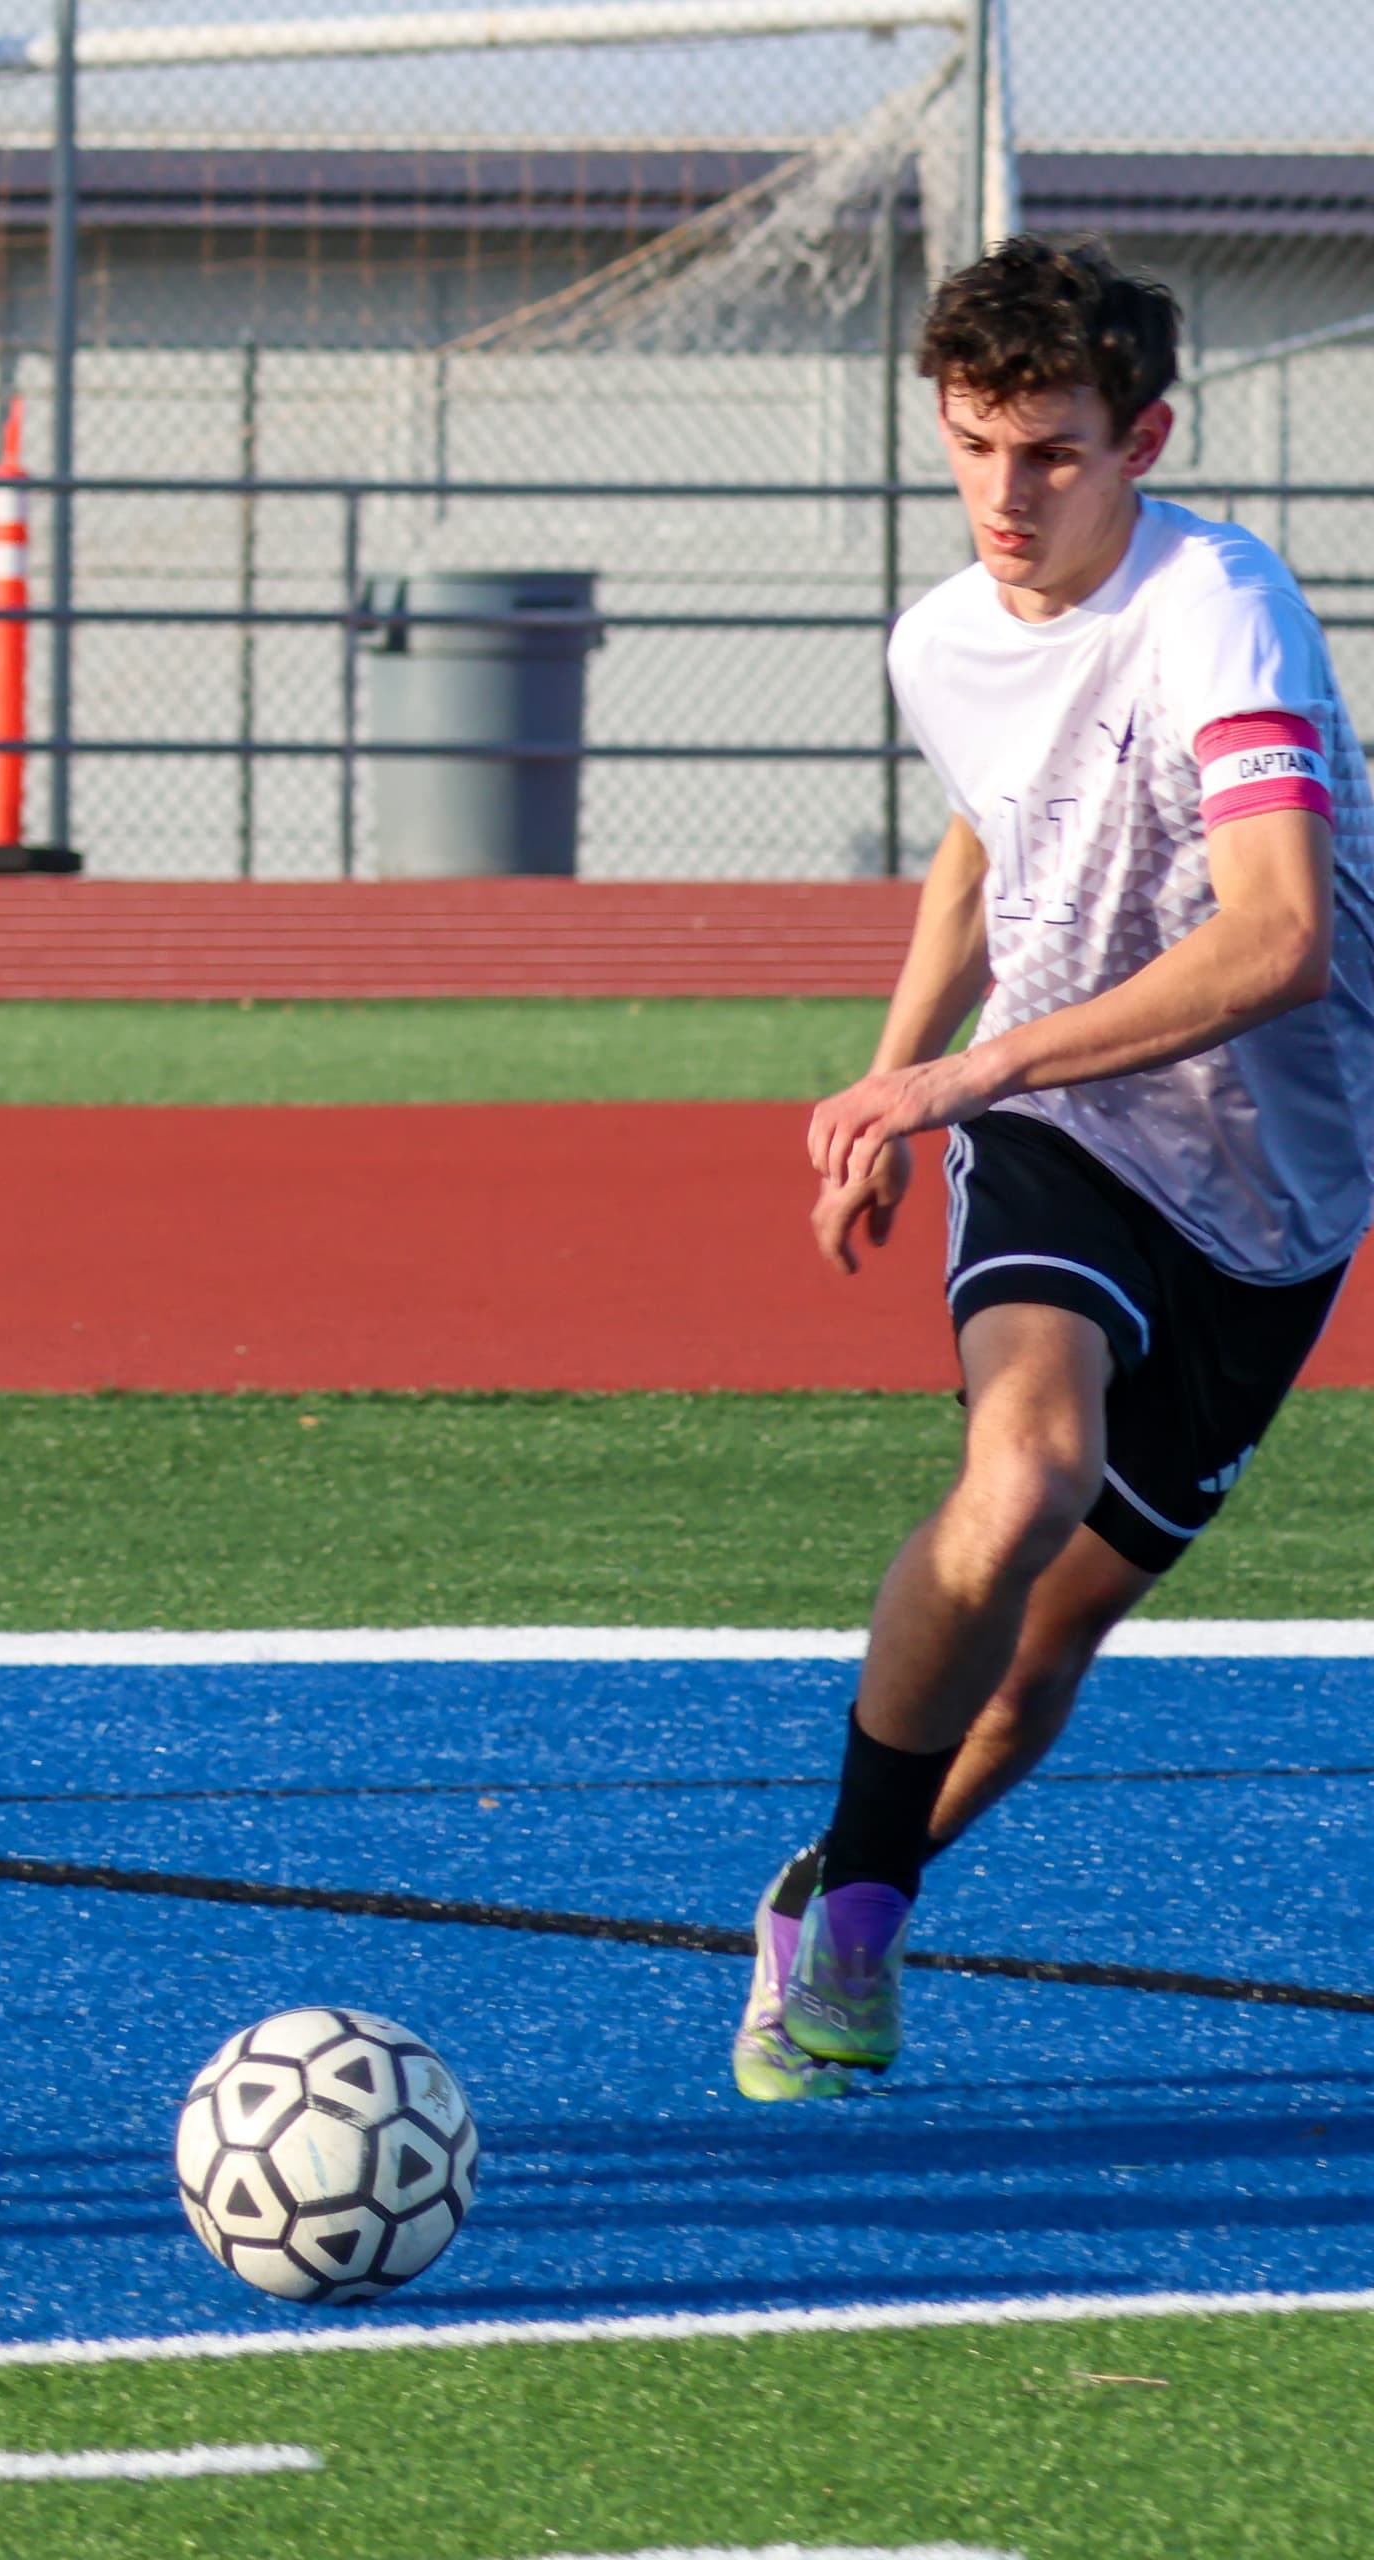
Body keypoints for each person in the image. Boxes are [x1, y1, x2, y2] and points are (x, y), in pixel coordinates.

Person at [736, 236, 1374, 2100]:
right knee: (1024, 1476)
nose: (1005, 496)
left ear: (1143, 438)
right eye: (973, 447)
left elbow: (1278, 942)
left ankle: (836, 1884)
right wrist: (901, 1082)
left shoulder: (1221, 609)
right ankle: (855, 1922)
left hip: (1279, 1191)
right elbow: (980, 832)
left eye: (1054, 454)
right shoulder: (937, 637)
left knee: (1040, 1656)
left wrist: (967, 1061)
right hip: (1068, 1125)